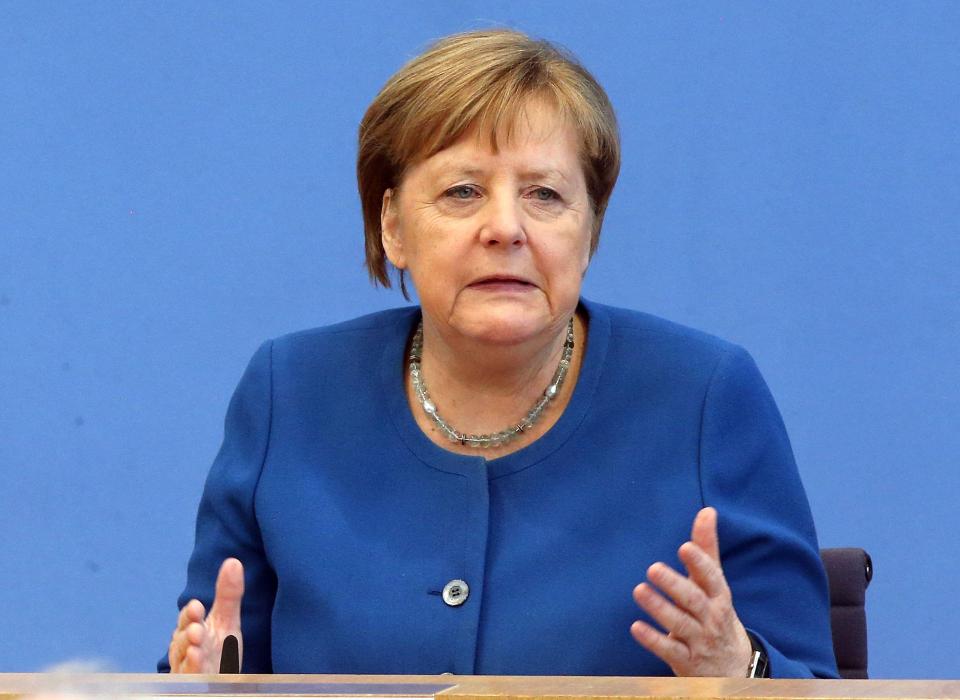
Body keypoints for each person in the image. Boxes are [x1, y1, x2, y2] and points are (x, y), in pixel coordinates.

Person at [161, 29, 838, 678]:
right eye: (463, 192)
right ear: (392, 225)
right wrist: (192, 684)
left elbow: (813, 683)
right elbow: (214, 663)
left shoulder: (704, 396)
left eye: (545, 194)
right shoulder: (291, 394)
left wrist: (737, 667)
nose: (506, 228)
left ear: (590, 228)